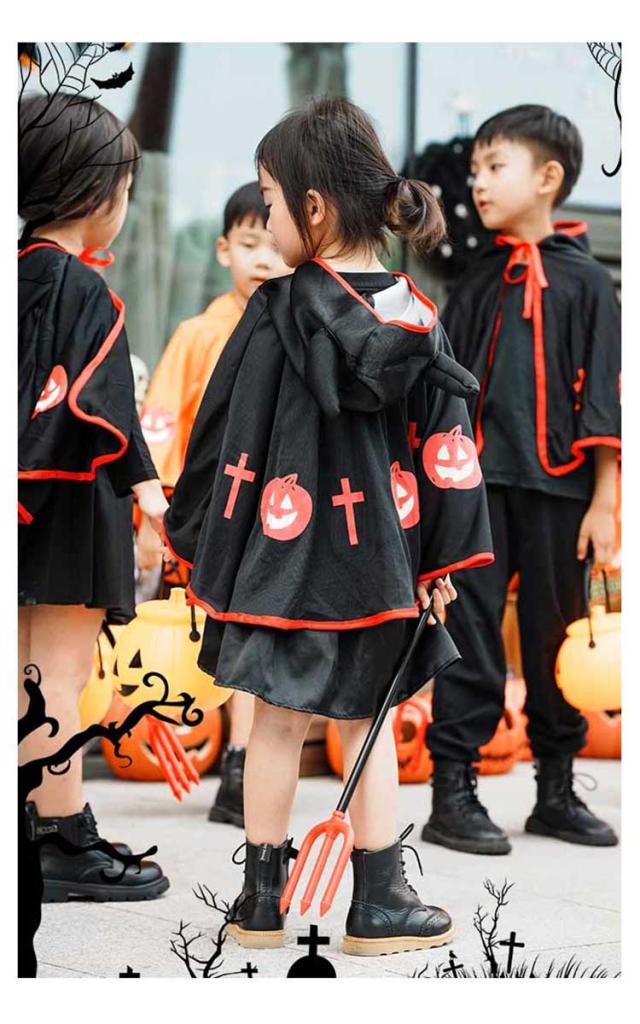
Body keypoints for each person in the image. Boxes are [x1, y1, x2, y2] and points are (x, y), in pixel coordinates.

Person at [163, 96, 495, 956]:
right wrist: (443, 561)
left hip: (280, 564)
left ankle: (259, 900)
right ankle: (379, 901)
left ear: (312, 208)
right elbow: (449, 451)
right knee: (366, 723)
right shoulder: (417, 319)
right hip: (379, 563)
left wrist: (194, 532)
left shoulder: (272, 313)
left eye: (271, 201)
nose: (267, 217)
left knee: (275, 720)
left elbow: (221, 434)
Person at [421, 104, 621, 856]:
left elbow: (605, 395)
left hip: (562, 493)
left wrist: (606, 501)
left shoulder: (590, 283)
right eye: (474, 170)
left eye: (494, 166)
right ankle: (453, 790)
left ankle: (556, 791)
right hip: (475, 492)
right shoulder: (475, 282)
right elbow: (444, 388)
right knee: (469, 637)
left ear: (547, 177)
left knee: (554, 638)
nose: (477, 182)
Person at [19, 92, 170, 900]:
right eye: (125, 189)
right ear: (92, 194)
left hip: (22, 499)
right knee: (61, 672)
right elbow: (105, 398)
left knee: (24, 669)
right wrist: (152, 494)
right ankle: (61, 841)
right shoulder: (81, 288)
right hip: (77, 498)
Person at [137, 182, 290, 827]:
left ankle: (241, 764)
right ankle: (227, 758)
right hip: (213, 512)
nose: (262, 258)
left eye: (272, 244)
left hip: (277, 511)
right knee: (217, 641)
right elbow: (162, 423)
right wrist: (155, 519)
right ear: (224, 249)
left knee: (254, 639)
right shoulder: (198, 334)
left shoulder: (296, 329)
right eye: (248, 244)